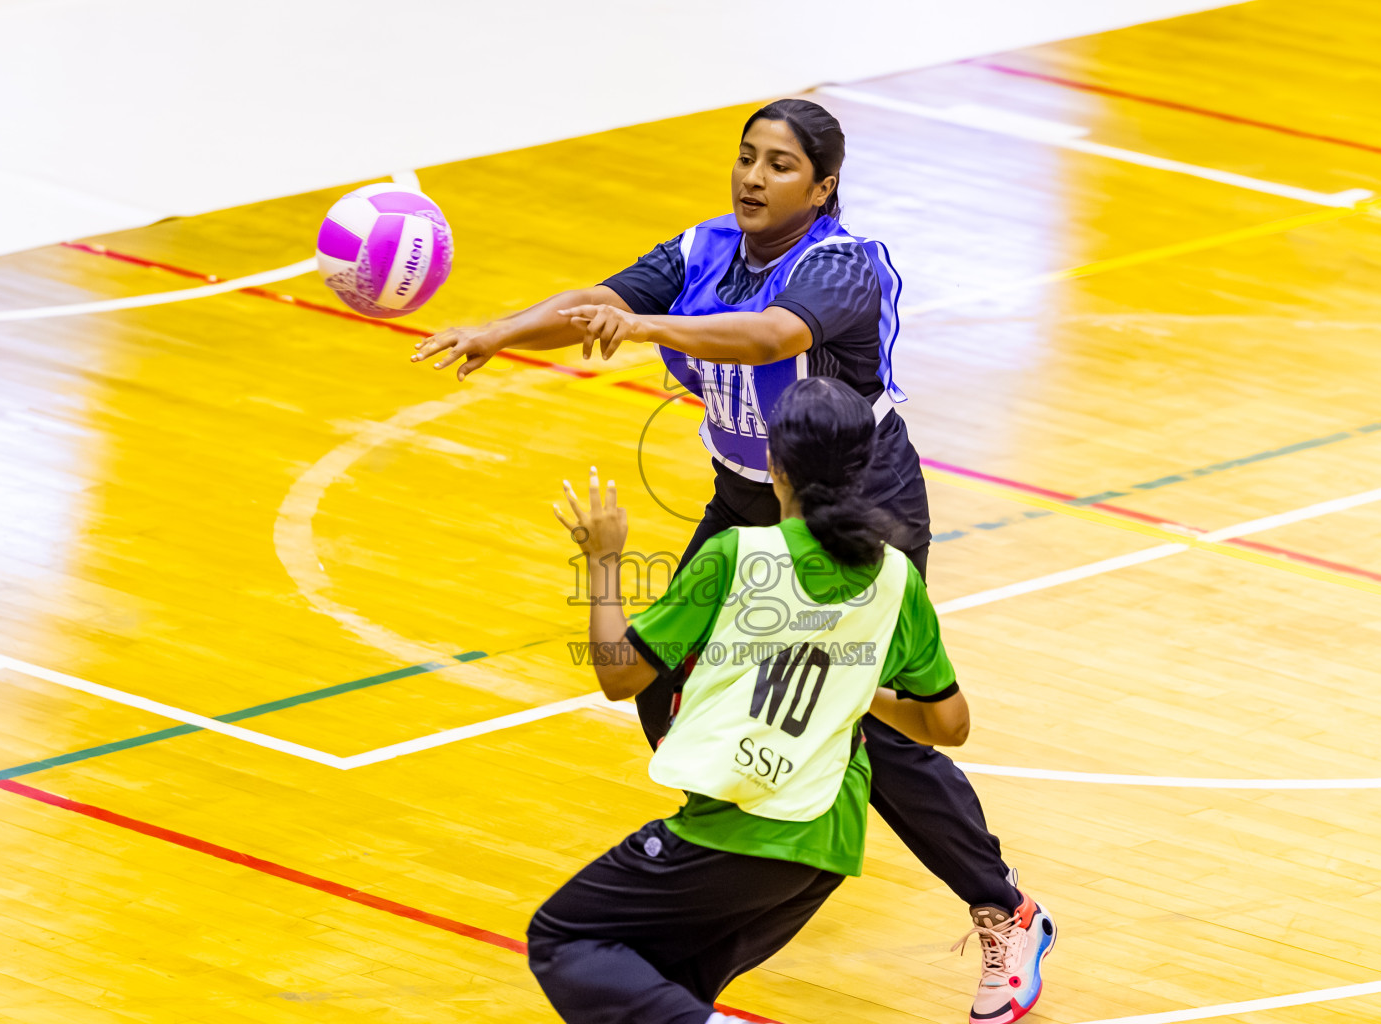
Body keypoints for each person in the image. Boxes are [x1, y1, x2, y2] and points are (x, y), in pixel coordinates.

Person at [416, 99, 1055, 1023]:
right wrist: (499, 332)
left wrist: (645, 332)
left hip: (858, 497)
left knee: (866, 715)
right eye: (747, 158)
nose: (754, 177)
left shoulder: (841, 265)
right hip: (747, 495)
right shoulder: (702, 249)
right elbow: (596, 304)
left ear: (824, 186)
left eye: (782, 165)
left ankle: (1006, 908)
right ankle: (734, 846)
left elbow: (767, 336)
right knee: (655, 668)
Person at [530, 378, 972, 1024]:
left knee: (565, 937)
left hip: (738, 829)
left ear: (774, 465)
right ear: (865, 466)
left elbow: (621, 677)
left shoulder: (739, 554)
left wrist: (603, 562)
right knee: (664, 988)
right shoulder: (896, 578)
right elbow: (948, 724)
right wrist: (860, 692)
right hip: (823, 846)